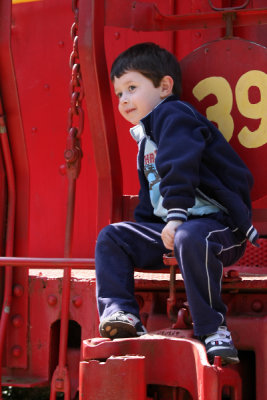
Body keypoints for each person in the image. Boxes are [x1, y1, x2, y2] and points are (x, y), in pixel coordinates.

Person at [95, 42, 259, 365]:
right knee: (111, 237)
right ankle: (121, 314)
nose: (124, 99)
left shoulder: (175, 115)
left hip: (219, 227)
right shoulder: (145, 139)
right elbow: (150, 199)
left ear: (165, 86)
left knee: (189, 236)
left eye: (131, 88)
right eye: (119, 94)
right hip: (175, 226)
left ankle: (213, 328)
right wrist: (147, 229)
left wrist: (175, 216)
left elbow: (180, 166)